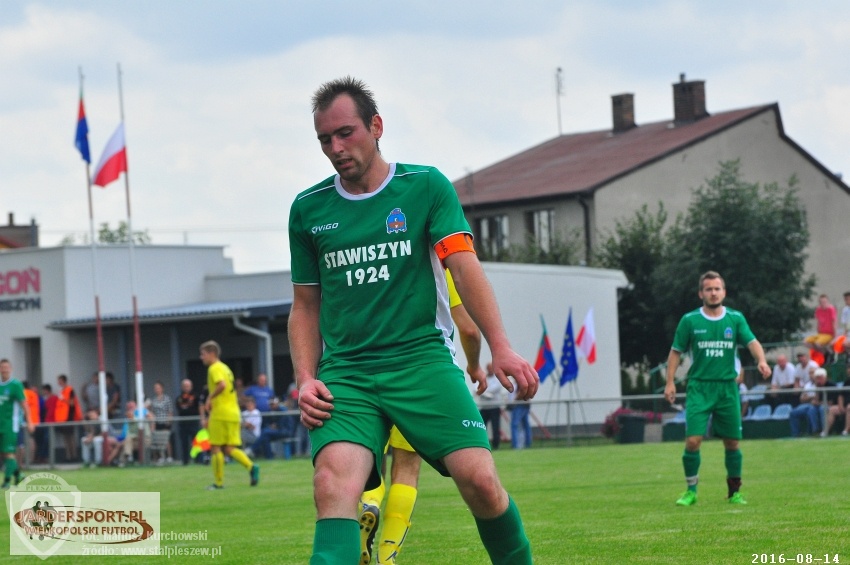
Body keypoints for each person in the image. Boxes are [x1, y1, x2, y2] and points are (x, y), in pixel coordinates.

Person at [289, 77, 537, 564]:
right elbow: (305, 305)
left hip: (422, 361)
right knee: (332, 485)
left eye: (345, 133)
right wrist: (304, 377)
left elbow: (463, 267)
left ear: (376, 126)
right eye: (324, 139)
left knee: (481, 482)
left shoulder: (425, 186)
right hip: (347, 373)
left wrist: (501, 347)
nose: (336, 148)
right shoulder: (308, 209)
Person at [358, 269, 488, 565]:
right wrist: (475, 366)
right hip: (419, 380)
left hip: (367, 376)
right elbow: (469, 330)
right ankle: (387, 555)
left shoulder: (376, 262)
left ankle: (370, 503)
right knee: (407, 468)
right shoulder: (440, 270)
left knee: (369, 462)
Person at [664, 271, 771, 506]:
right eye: (709, 289)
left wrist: (762, 361)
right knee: (693, 441)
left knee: (732, 442)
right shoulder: (690, 320)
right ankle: (691, 491)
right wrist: (670, 381)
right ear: (701, 293)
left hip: (727, 389)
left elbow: (752, 342)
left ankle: (734, 493)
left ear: (724, 292)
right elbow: (675, 352)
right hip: (699, 388)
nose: (713, 293)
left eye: (717, 289)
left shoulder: (735, 318)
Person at [198, 340, 259, 489]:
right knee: (229, 449)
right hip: (233, 413)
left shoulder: (214, 368)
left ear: (212, 353)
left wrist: (209, 397)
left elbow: (222, 385)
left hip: (221, 413)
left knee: (215, 448)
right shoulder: (225, 368)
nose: (201, 357)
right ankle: (251, 467)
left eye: (203, 354)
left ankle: (218, 483)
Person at [1, 359, 34, 488]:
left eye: (6, 367)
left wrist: (29, 421)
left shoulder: (15, 385)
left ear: (11, 369)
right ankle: (19, 475)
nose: (4, 369)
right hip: (0, 424)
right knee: (4, 453)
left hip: (10, 425)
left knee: (9, 452)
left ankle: (7, 481)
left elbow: (24, 405)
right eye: (2, 367)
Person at [789, 368, 827, 437]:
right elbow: (802, 399)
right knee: (793, 412)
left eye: (812, 373)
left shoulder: (820, 384)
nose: (811, 375)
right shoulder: (807, 385)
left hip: (815, 405)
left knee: (811, 410)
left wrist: (808, 397)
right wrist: (810, 398)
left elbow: (817, 398)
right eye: (809, 373)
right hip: (806, 404)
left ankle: (814, 431)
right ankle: (796, 434)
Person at [55, 374, 83, 462]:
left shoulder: (69, 390)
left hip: (69, 417)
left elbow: (72, 403)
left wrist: (63, 399)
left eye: (59, 380)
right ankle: (68, 456)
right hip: (62, 418)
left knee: (70, 437)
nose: (58, 382)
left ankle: (73, 455)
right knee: (66, 438)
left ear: (63, 381)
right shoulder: (62, 391)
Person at [479, 363, 505, 450]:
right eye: (488, 368)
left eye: (491, 368)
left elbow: (494, 388)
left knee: (495, 428)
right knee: (481, 427)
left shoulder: (497, 379)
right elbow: (477, 388)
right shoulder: (483, 377)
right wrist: (485, 392)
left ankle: (496, 446)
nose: (490, 370)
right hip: (484, 407)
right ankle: (482, 444)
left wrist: (483, 391)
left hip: (494, 407)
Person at [804, 294, 837, 362]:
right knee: (806, 342)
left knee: (817, 343)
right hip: (821, 333)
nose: (823, 304)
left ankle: (829, 353)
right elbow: (819, 322)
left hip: (828, 333)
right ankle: (825, 352)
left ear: (827, 302)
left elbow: (834, 322)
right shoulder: (818, 309)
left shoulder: (831, 309)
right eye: (821, 302)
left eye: (824, 302)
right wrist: (818, 331)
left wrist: (835, 336)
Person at [175, 378, 200, 465]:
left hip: (194, 422)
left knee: (196, 442)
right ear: (182, 387)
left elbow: (196, 408)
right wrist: (187, 408)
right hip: (183, 424)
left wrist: (188, 408)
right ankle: (185, 461)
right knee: (184, 443)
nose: (186, 388)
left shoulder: (196, 397)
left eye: (188, 386)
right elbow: (180, 410)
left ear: (191, 386)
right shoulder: (179, 398)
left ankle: (198, 460)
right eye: (185, 386)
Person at [149, 381, 174, 463]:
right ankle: (161, 456)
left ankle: (169, 456)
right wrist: (153, 424)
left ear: (162, 388)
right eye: (155, 388)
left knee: (166, 440)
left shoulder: (167, 399)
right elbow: (152, 412)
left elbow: (170, 411)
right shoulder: (153, 400)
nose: (157, 389)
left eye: (158, 388)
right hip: (157, 422)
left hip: (165, 422)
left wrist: (169, 422)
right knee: (159, 440)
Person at [37, 384, 57, 463]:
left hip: (52, 421)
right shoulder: (45, 399)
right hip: (46, 421)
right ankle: (43, 456)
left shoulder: (54, 398)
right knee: (44, 439)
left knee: (47, 439)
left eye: (44, 390)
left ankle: (44, 456)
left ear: (47, 390)